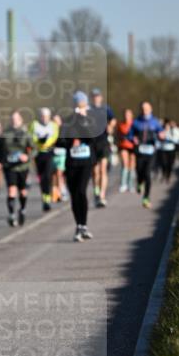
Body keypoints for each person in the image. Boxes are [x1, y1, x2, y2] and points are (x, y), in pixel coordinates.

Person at [59, 91, 97, 242]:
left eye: (82, 103)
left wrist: (81, 119)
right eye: (77, 103)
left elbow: (93, 138)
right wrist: (70, 142)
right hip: (72, 163)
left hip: (85, 162)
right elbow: (60, 141)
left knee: (82, 190)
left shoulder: (90, 120)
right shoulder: (67, 121)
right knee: (74, 195)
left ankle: (84, 225)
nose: (80, 106)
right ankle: (79, 225)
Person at [0, 111, 32, 227]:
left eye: (17, 118)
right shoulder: (5, 133)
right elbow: (0, 149)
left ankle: (22, 210)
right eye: (12, 118)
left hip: (23, 167)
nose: (14, 121)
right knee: (11, 190)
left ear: (21, 120)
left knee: (23, 191)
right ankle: (11, 214)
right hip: (10, 167)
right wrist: (0, 161)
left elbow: (34, 149)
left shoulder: (26, 133)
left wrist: (27, 156)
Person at [132, 102, 165, 208]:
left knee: (147, 173)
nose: (144, 110)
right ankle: (140, 182)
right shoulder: (136, 122)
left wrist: (161, 135)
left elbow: (161, 133)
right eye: (142, 108)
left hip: (151, 152)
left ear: (150, 109)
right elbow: (130, 134)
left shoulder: (155, 122)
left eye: (146, 108)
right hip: (140, 152)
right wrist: (133, 138)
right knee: (139, 171)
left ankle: (146, 197)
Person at [89, 88, 116, 208]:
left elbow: (113, 119)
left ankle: (102, 196)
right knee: (95, 171)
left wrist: (110, 126)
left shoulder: (106, 108)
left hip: (103, 142)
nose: (96, 98)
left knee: (103, 170)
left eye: (98, 96)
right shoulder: (88, 109)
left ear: (101, 97)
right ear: (92, 98)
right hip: (92, 143)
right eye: (94, 96)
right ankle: (96, 191)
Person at [29, 107, 59, 212]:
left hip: (49, 153)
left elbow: (55, 137)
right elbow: (31, 137)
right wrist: (38, 141)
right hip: (38, 154)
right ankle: (45, 198)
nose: (44, 118)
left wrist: (45, 142)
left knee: (48, 175)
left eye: (46, 116)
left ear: (49, 116)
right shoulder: (34, 124)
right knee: (42, 178)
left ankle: (49, 196)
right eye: (42, 116)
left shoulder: (53, 125)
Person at [116, 109, 136, 193]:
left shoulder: (135, 124)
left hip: (133, 147)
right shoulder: (121, 125)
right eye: (125, 114)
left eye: (128, 114)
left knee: (132, 165)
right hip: (123, 146)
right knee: (125, 164)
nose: (126, 116)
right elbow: (118, 136)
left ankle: (131, 184)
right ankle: (123, 184)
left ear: (131, 115)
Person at [51, 114, 69, 203]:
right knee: (54, 175)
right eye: (53, 120)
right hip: (53, 155)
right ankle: (56, 193)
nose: (55, 122)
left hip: (62, 154)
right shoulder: (50, 130)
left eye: (57, 120)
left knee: (59, 173)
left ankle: (63, 191)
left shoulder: (64, 130)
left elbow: (66, 142)